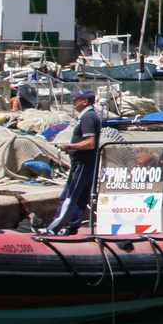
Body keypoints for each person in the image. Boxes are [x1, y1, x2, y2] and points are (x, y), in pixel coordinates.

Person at [46, 90, 102, 235]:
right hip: (86, 162)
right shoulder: (88, 116)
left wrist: (69, 146)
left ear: (85, 102)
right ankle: (72, 227)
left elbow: (90, 143)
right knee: (81, 196)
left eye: (77, 99)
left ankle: (54, 228)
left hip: (83, 162)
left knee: (69, 196)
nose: (74, 101)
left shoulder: (88, 117)